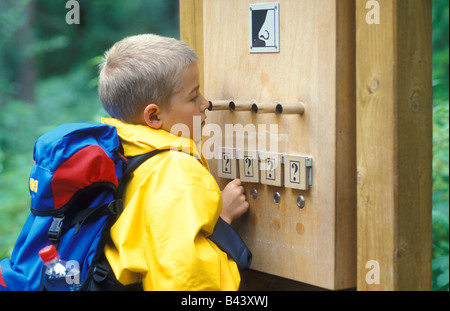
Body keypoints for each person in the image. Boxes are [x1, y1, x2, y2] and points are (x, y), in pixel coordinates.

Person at [98, 34, 250, 290]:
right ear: (154, 115)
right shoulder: (177, 173)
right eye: (193, 97)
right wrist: (221, 218)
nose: (206, 103)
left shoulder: (120, 149)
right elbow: (190, 282)